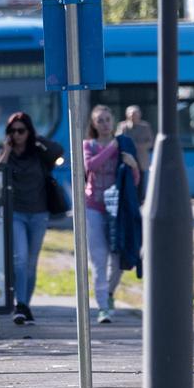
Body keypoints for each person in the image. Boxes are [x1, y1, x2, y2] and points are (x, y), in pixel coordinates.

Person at [0, 111, 59, 325]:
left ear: (28, 131)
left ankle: (25, 305)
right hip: (16, 213)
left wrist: (37, 138)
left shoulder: (38, 152)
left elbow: (57, 151)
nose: (17, 135)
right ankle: (20, 304)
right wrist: (6, 149)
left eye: (21, 130)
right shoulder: (7, 152)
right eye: (12, 131)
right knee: (20, 260)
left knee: (31, 263)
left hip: (39, 214)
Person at [82, 104, 140, 323]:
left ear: (113, 120)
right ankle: (103, 308)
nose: (105, 124)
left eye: (107, 119)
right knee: (99, 259)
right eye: (100, 121)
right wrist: (112, 147)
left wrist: (133, 166)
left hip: (117, 210)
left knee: (118, 260)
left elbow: (133, 183)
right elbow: (91, 166)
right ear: (94, 124)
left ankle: (109, 293)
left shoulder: (125, 145)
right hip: (93, 207)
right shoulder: (89, 145)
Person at [119, 105, 154, 189]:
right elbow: (118, 140)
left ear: (139, 115)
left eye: (135, 114)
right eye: (131, 115)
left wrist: (138, 146)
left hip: (141, 159)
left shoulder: (145, 127)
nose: (133, 117)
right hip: (128, 158)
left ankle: (139, 199)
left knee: (140, 182)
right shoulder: (123, 127)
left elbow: (150, 143)